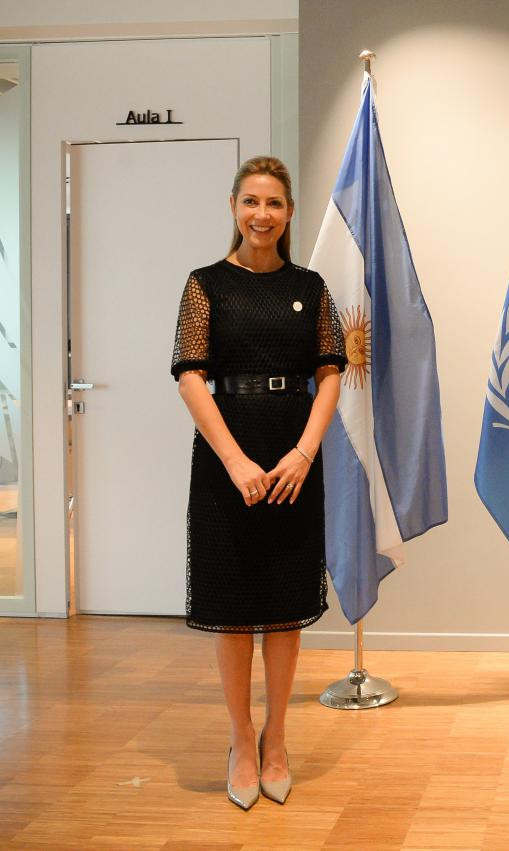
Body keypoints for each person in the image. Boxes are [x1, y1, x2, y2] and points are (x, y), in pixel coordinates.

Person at [171, 156, 347, 810]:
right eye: (251, 201)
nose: (262, 214)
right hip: (228, 459)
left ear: (290, 211)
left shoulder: (312, 286)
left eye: (274, 203)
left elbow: (330, 372)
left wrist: (303, 452)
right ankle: (241, 740)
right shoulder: (206, 285)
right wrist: (236, 461)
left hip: (295, 457)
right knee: (234, 605)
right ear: (234, 206)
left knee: (283, 602)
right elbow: (191, 374)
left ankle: (278, 737)